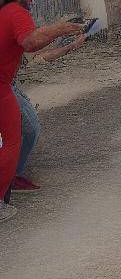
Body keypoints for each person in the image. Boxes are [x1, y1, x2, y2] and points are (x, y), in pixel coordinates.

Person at [0, 0, 82, 221]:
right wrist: (59, 29)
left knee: (24, 130)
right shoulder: (15, 12)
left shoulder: (6, 11)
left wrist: (62, 39)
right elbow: (31, 43)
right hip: (2, 86)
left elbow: (34, 46)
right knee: (16, 138)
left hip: (8, 84)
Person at [11, 35, 87, 193]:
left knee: (29, 128)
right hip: (5, 86)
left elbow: (37, 56)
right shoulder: (12, 20)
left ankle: (13, 174)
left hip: (10, 84)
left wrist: (69, 45)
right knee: (30, 129)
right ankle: (13, 176)